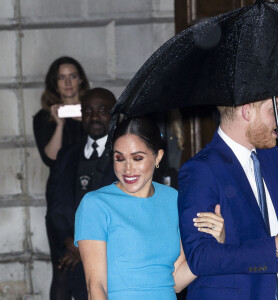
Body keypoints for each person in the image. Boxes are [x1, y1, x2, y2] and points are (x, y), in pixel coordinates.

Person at [74, 116, 225, 300]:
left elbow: (176, 280)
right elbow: (96, 287)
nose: (128, 169)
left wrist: (213, 244)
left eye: (137, 158)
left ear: (158, 156)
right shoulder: (95, 204)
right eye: (119, 158)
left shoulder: (173, 198)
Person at [178, 97, 278, 300]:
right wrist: (275, 247)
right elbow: (200, 257)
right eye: (273, 109)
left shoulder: (271, 155)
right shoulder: (201, 169)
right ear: (247, 112)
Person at [48, 87, 118, 300]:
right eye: (87, 110)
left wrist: (88, 247)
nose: (94, 116)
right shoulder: (67, 155)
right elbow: (57, 203)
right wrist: (71, 242)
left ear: (114, 115)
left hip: (112, 258)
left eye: (102, 110)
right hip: (72, 254)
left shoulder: (124, 154)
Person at [33, 56, 90, 300]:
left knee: (93, 265)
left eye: (73, 76)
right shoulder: (43, 118)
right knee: (63, 268)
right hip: (62, 200)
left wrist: (84, 119)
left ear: (81, 80)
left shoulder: (94, 112)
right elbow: (50, 158)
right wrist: (59, 124)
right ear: (54, 83)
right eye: (61, 77)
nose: (68, 82)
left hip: (90, 192)